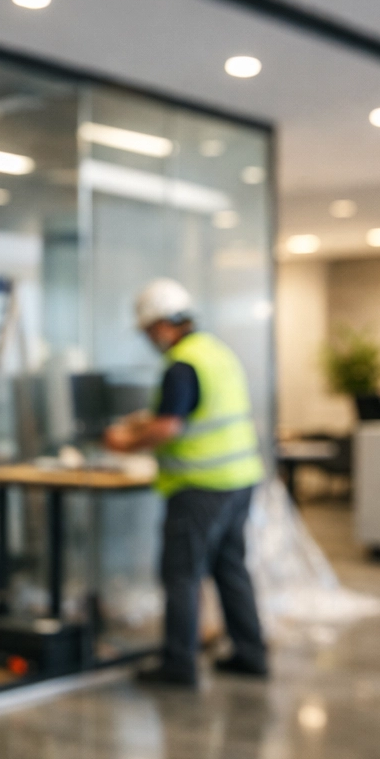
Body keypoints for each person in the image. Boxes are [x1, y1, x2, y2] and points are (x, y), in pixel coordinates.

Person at [104, 278, 269, 686]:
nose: (148, 340)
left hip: (201, 484)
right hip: (239, 478)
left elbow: (168, 427)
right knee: (230, 568)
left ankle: (179, 665)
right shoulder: (215, 353)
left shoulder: (181, 363)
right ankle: (251, 654)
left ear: (162, 325)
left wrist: (125, 445)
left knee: (181, 573)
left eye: (147, 331)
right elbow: (197, 411)